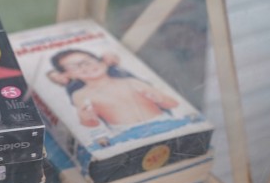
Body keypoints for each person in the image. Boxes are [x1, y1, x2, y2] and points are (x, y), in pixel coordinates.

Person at [48, 48, 179, 128]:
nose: (85, 67)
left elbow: (173, 104)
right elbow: (92, 124)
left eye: (88, 61)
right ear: (67, 75)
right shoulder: (80, 95)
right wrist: (85, 118)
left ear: (103, 62)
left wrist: (160, 99)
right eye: (75, 66)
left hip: (162, 122)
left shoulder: (131, 82)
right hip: (125, 133)